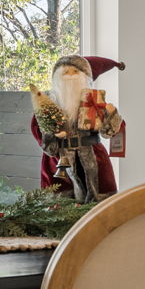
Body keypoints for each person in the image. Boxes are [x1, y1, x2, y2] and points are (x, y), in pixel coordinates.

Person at [29, 55, 124, 202]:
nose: (70, 75)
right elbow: (45, 142)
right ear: (57, 77)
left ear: (85, 77)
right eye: (65, 72)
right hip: (59, 162)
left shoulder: (95, 103)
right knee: (60, 208)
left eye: (75, 71)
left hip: (94, 158)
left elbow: (108, 133)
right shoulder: (48, 106)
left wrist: (111, 114)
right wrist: (51, 135)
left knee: (101, 205)